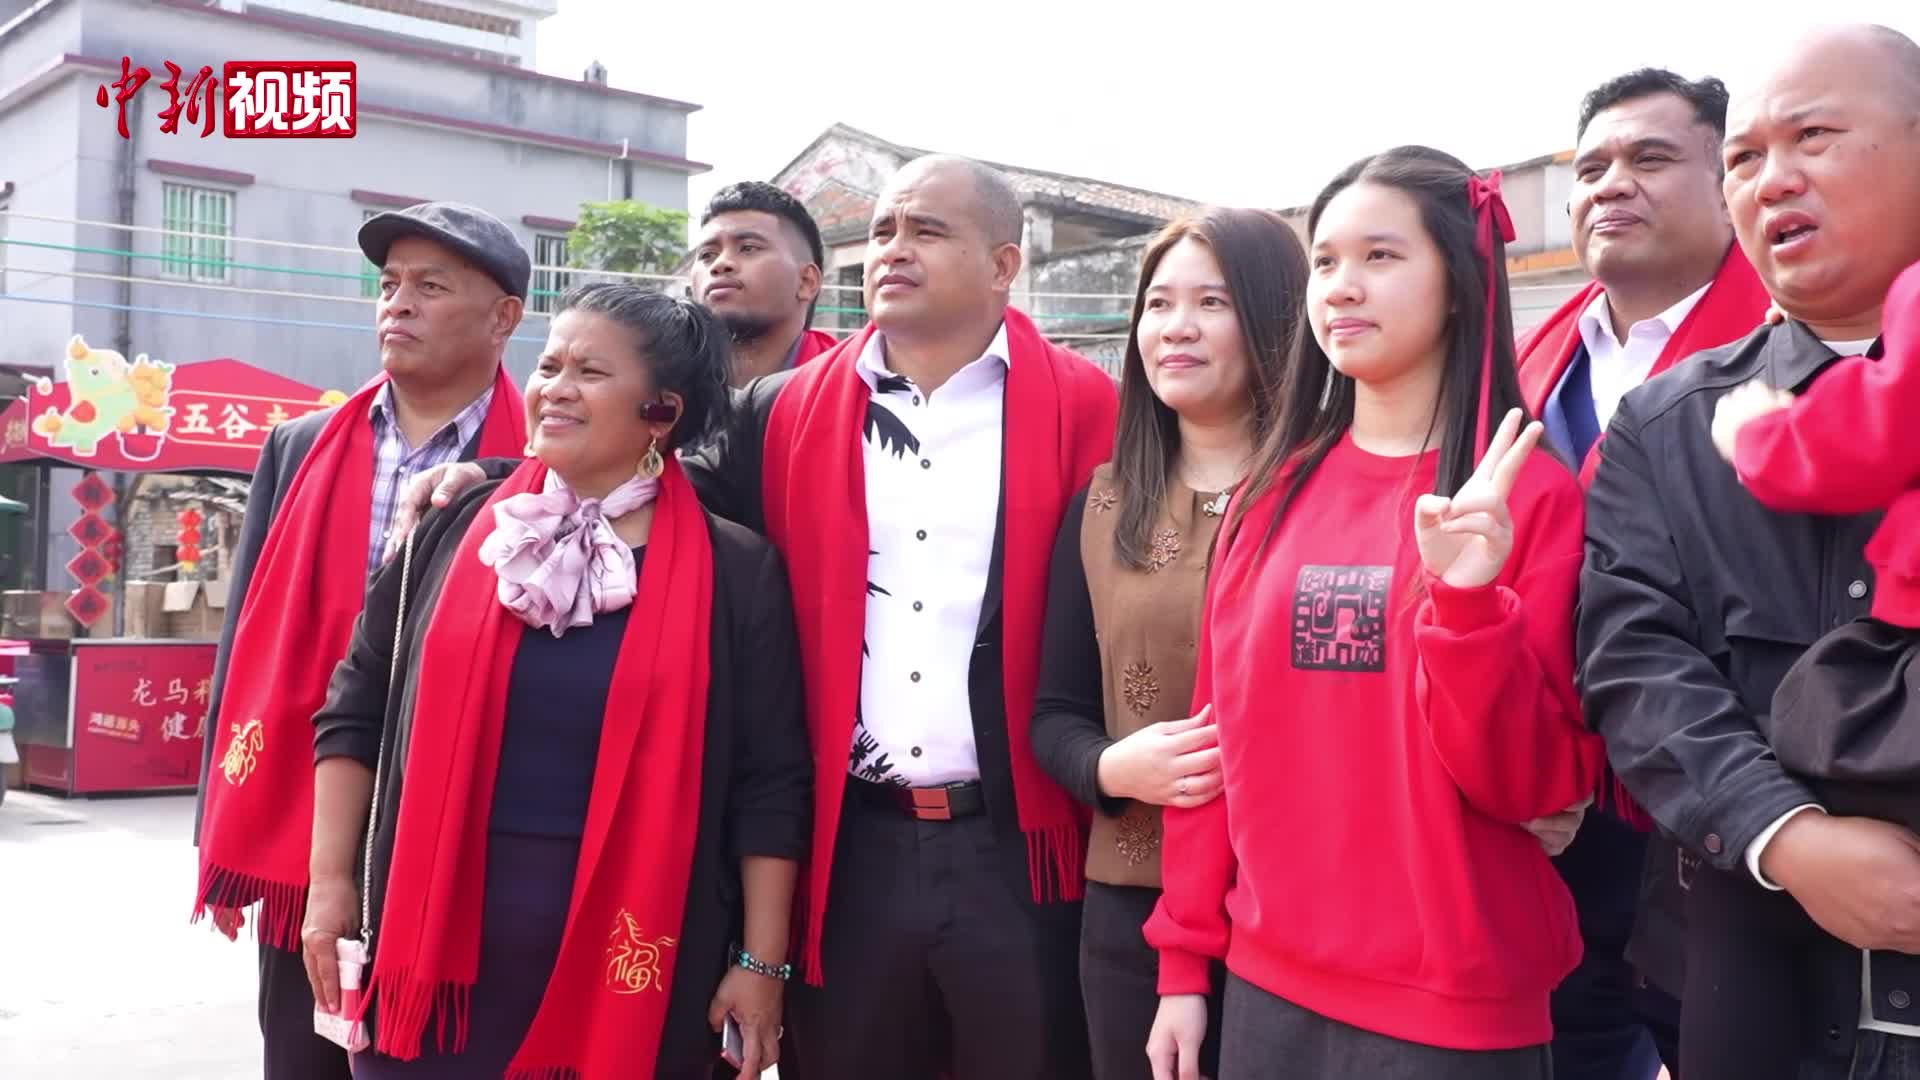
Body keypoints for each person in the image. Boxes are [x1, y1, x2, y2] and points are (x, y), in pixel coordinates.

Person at [388, 155, 1118, 1080]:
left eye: (926, 232)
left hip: (1017, 844)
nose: (893, 249)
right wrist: (493, 476)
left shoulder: (1090, 408)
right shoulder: (784, 410)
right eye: (883, 231)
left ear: (1004, 264)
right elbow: (644, 472)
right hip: (849, 846)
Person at [1144, 146, 1601, 1080]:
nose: (1342, 287)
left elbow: (1532, 786)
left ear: (1460, 282)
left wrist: (1466, 605)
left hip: (1454, 1010)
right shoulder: (1269, 496)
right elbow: (1210, 742)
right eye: (1325, 262)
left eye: (1380, 257)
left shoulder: (1529, 500)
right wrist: (1184, 961)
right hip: (1269, 986)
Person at [301, 284, 811, 1079]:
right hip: (431, 946)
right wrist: (329, 884)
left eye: (590, 372)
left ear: (662, 412)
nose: (555, 388)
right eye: (548, 365)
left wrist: (762, 963)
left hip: (634, 943)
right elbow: (354, 709)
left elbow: (770, 783)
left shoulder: (736, 573)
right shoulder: (456, 527)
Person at [1580, 23, 1920, 1080]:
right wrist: (1787, 838)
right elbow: (1636, 662)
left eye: (1814, 136)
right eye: (1742, 158)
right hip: (1742, 974)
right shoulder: (1666, 424)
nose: (1772, 180)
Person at [191, 202, 531, 1080]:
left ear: (504, 317)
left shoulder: (544, 458)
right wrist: (217, 824)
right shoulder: (302, 444)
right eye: (388, 285)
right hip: (306, 821)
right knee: (302, 1052)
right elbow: (245, 641)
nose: (398, 304)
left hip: (467, 826)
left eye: (431, 286)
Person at [1516, 67, 1772, 1079]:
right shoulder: (1531, 357)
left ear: (1727, 180)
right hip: (1549, 809)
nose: (1611, 184)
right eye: (1591, 169)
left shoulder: (1792, 349)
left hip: (1716, 794)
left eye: (1650, 158)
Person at [1031, 208, 1308, 1080]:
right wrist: (1113, 768)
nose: (1175, 327)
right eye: (1157, 304)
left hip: (1300, 903)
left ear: (1275, 320)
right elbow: (1054, 713)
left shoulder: (1329, 493)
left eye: (1211, 303)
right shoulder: (1102, 505)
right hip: (1134, 907)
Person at [690, 181, 836, 386]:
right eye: (707, 255)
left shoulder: (858, 388)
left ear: (806, 281)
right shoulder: (660, 384)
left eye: (748, 248)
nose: (720, 264)